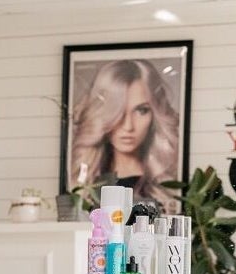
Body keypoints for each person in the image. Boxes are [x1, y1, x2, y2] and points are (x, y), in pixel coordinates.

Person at [69, 58, 182, 210]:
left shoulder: (167, 184)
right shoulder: (87, 182)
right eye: (118, 111)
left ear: (154, 115)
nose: (128, 126)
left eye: (141, 110)